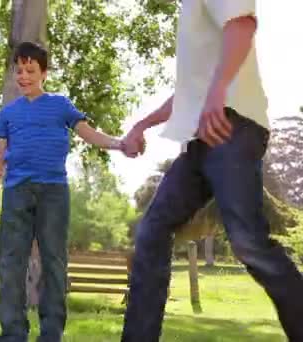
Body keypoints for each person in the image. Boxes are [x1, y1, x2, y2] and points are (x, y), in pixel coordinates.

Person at [120, 1, 303, 341]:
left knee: (248, 241)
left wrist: (219, 92)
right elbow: (189, 94)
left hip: (232, 125)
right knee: (152, 230)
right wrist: (142, 125)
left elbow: (243, 25)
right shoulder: (189, 9)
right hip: (200, 138)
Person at [0, 41, 134, 342]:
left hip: (53, 191)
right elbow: (0, 152)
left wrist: (119, 144)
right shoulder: (9, 113)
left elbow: (87, 132)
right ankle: (13, 333)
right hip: (16, 191)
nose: (24, 76)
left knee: (54, 260)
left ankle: (51, 333)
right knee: (11, 262)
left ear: (44, 73)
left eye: (30, 70)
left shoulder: (60, 105)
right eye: (19, 71)